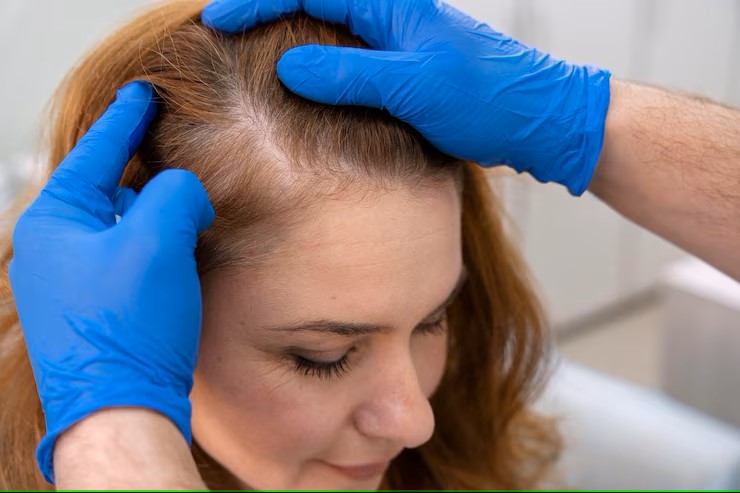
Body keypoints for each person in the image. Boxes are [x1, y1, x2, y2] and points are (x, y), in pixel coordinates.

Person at [4, 0, 739, 488]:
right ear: (150, 311)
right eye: (322, 356)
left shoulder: (456, 437)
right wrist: (112, 432)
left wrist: (585, 117)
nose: (416, 417)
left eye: (432, 320)